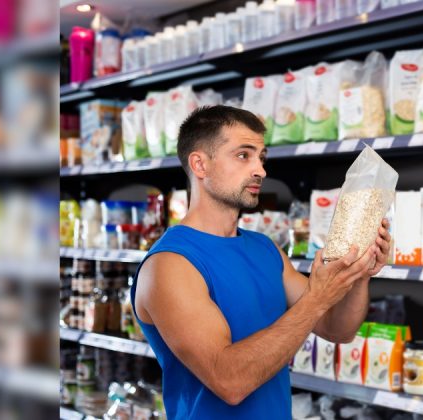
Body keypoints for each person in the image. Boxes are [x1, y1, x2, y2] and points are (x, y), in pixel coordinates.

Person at [132, 105, 391, 419]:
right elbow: (229, 381)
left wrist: (360, 273)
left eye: (262, 157)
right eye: (243, 155)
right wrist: (317, 297)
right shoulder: (170, 265)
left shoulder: (265, 249)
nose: (261, 170)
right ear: (200, 164)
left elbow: (337, 329)